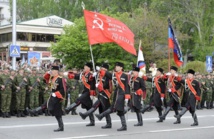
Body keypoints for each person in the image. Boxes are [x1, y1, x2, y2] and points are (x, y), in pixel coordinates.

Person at [95, 62, 130, 131]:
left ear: (121, 68)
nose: (116, 67)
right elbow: (107, 74)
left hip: (122, 93)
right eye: (116, 66)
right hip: (116, 92)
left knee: (118, 108)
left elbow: (127, 86)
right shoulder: (114, 75)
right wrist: (100, 70)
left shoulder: (124, 75)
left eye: (117, 66)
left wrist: (127, 96)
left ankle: (101, 116)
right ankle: (124, 125)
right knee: (114, 108)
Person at [79, 63, 113, 129]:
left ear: (106, 69)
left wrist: (100, 86)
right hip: (101, 94)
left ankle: (86, 115)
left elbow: (108, 85)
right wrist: (94, 77)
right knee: (98, 107)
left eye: (103, 68)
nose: (101, 69)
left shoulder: (107, 75)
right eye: (101, 68)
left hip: (106, 94)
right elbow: (93, 81)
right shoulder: (100, 75)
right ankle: (108, 123)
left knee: (100, 107)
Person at [65, 62, 96, 126]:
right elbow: (75, 76)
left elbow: (91, 80)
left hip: (89, 92)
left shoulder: (91, 74)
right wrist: (69, 74)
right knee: (89, 107)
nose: (84, 68)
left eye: (85, 67)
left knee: (79, 99)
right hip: (85, 91)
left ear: (88, 68)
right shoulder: (83, 74)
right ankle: (92, 121)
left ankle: (69, 109)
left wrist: (94, 75)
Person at [43, 66, 65, 132]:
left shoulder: (60, 79)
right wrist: (48, 73)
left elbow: (63, 89)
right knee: (54, 110)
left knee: (52, 108)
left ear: (56, 71)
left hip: (57, 96)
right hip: (52, 95)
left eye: (52, 70)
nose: (52, 71)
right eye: (51, 70)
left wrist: (56, 94)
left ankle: (35, 111)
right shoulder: (52, 78)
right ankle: (61, 127)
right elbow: (44, 79)